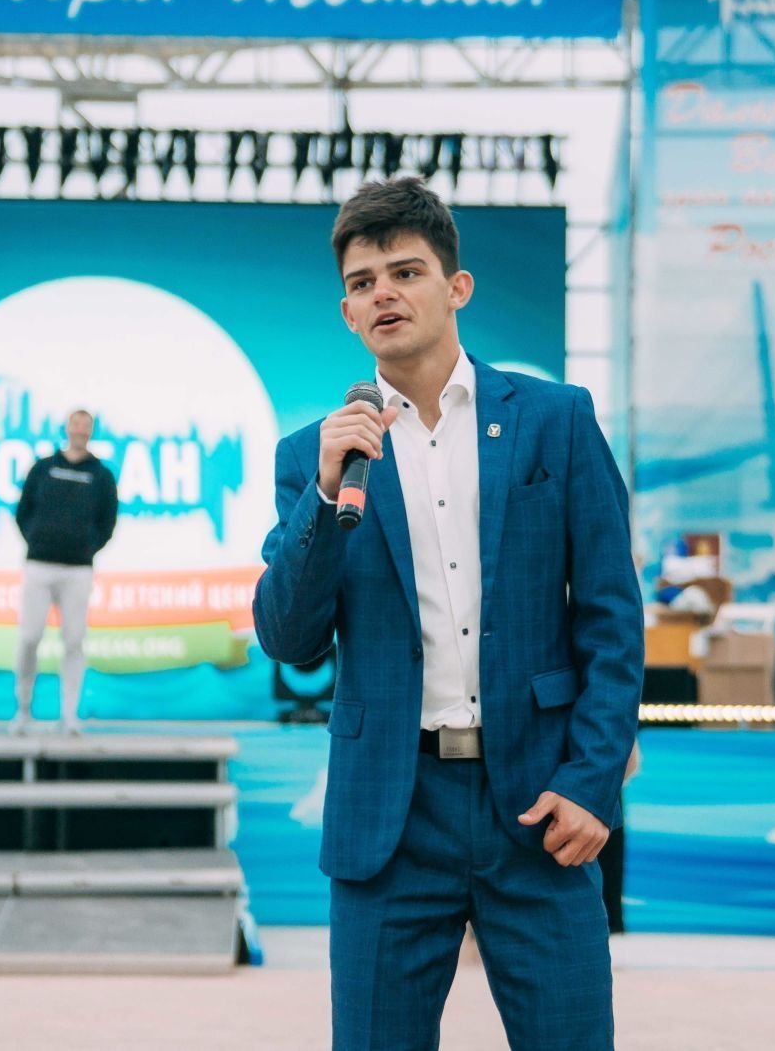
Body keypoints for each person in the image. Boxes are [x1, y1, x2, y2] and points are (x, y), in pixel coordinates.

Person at [253, 177, 643, 1050]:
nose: (383, 294)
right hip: (389, 819)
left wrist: (592, 782)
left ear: (456, 286)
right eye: (362, 283)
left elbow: (613, 618)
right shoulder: (316, 455)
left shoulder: (556, 421)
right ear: (348, 313)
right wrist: (325, 493)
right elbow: (289, 637)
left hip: (538, 806)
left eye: (406, 271)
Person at [11, 409, 119, 735]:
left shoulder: (101, 476)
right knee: (29, 638)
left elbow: (108, 522)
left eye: (86, 426)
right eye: (76, 424)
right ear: (67, 428)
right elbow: (23, 511)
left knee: (73, 641)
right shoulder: (43, 468)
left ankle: (69, 715)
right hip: (39, 565)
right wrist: (39, 540)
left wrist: (85, 547)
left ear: (91, 431)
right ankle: (23, 711)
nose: (80, 431)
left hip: (78, 571)